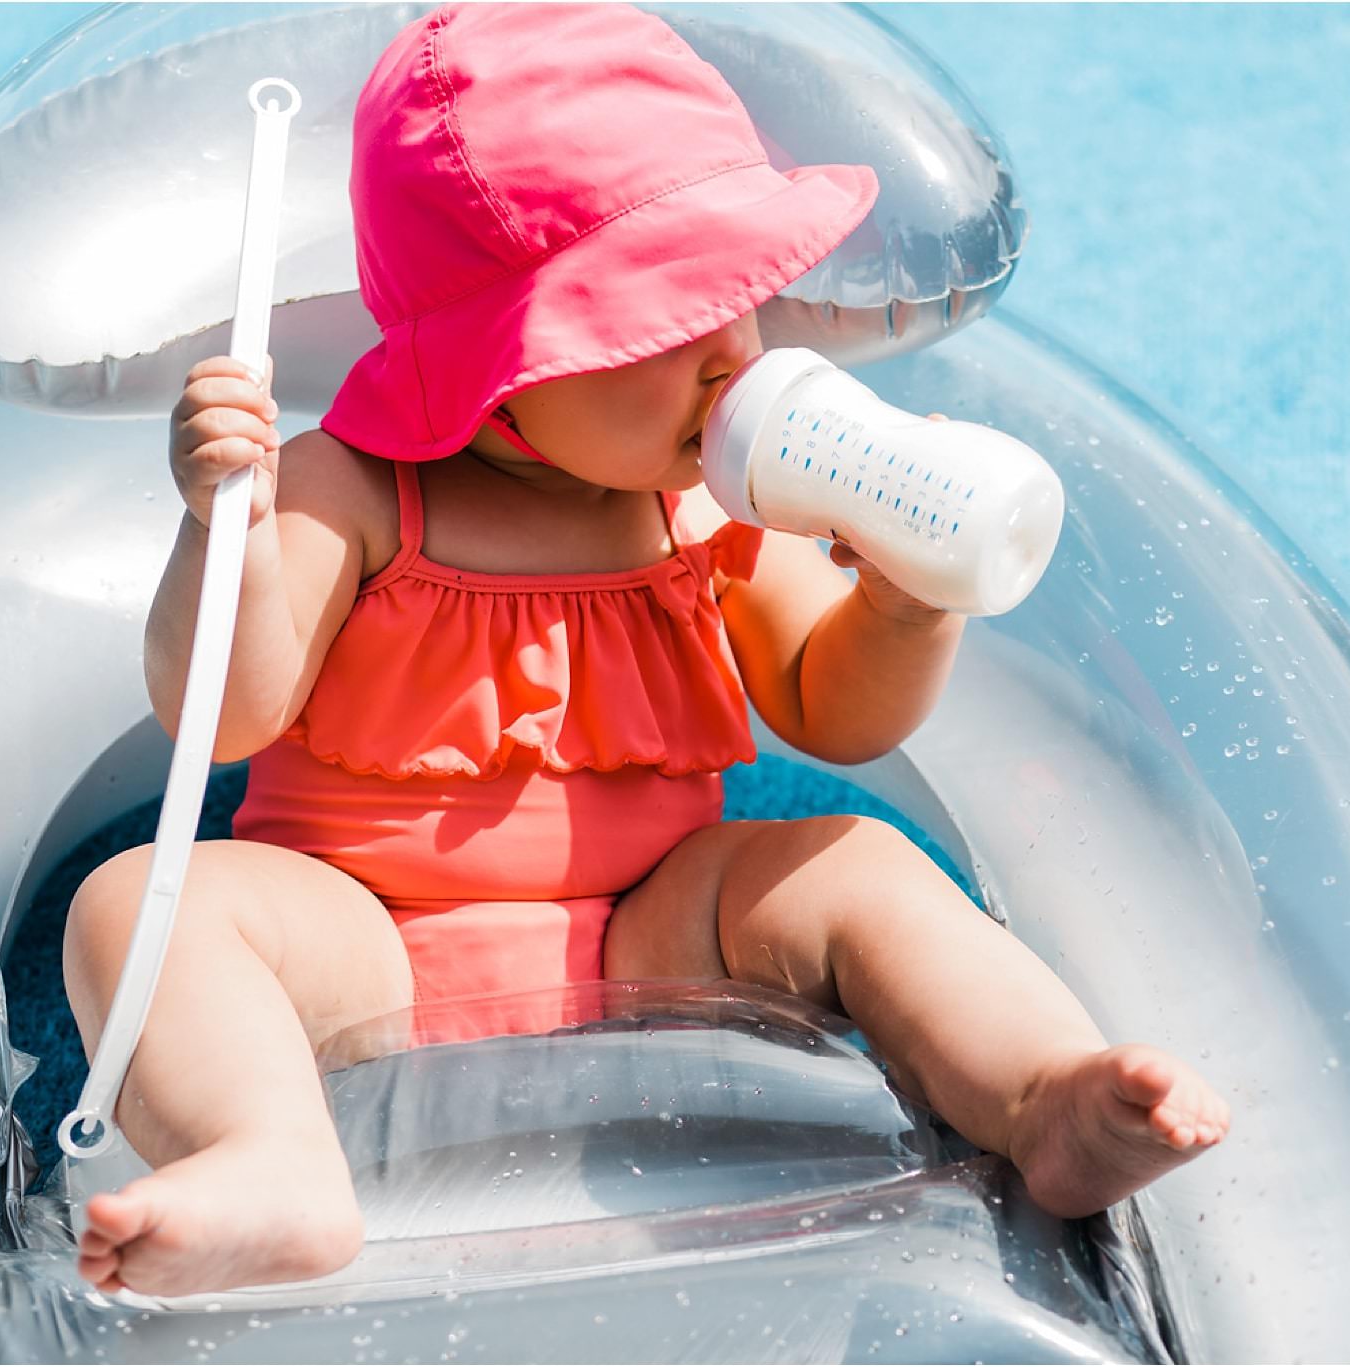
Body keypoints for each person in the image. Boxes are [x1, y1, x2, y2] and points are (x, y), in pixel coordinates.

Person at [64, 2, 1229, 1299]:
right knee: (147, 904)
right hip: (368, 939)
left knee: (850, 862)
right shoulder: (356, 490)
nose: (737, 350)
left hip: (651, 938)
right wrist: (221, 531)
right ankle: (268, 1154)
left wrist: (904, 602)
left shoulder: (705, 500)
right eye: (675, 316)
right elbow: (225, 716)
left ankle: (1041, 1093)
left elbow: (834, 714)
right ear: (501, 361)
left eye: (746, 293)